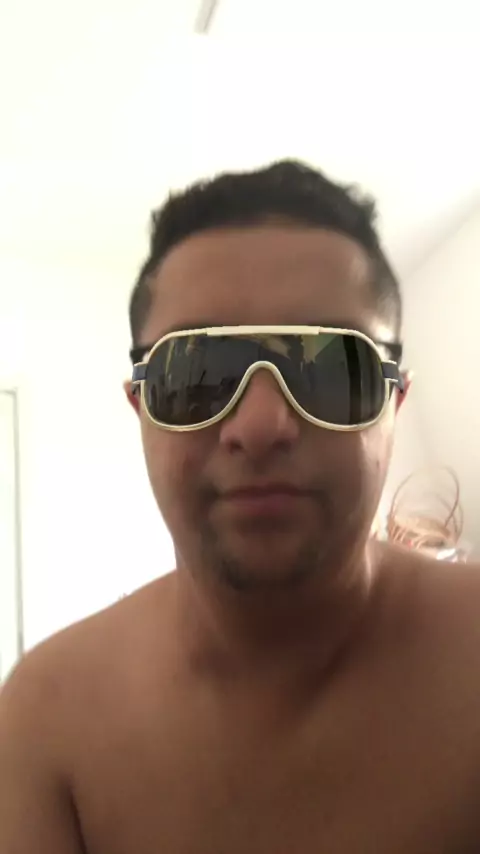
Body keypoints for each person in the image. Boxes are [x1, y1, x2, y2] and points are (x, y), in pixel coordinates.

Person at [1, 160, 479, 854]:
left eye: (330, 367)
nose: (260, 426)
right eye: (196, 374)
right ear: (143, 408)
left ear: (393, 403)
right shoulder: (45, 720)